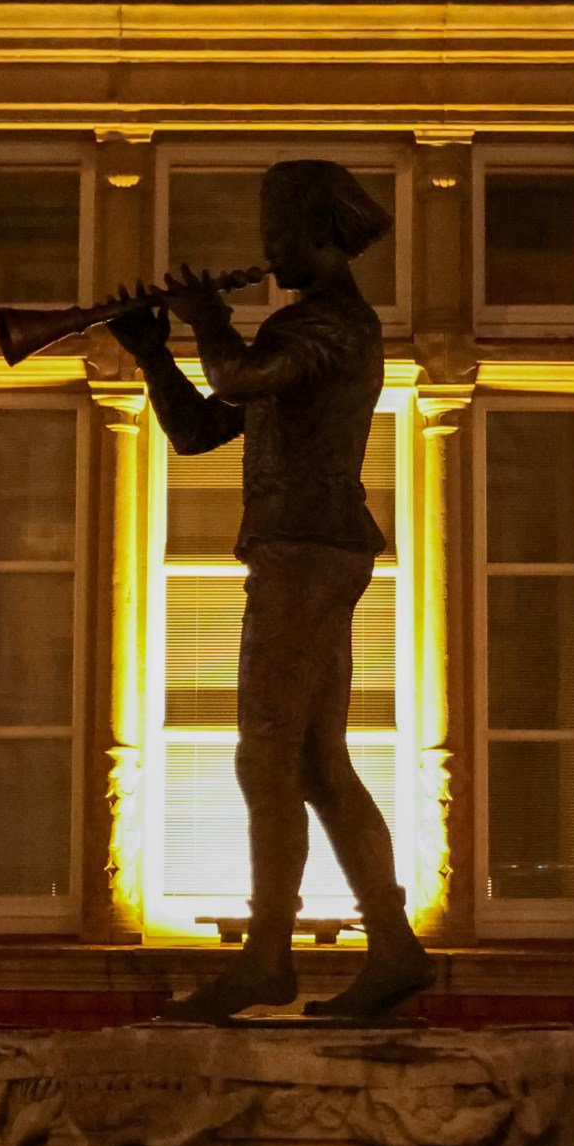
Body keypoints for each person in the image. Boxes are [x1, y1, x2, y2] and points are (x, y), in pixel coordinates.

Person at [107, 159, 432, 1022]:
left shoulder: (330, 326)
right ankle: (393, 948)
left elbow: (236, 379)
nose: (266, 248)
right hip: (307, 550)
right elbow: (199, 428)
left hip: (305, 551)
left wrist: (209, 320)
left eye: (278, 230)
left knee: (264, 752)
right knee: (319, 762)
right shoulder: (299, 337)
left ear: (319, 230)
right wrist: (153, 353)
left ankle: (266, 958)